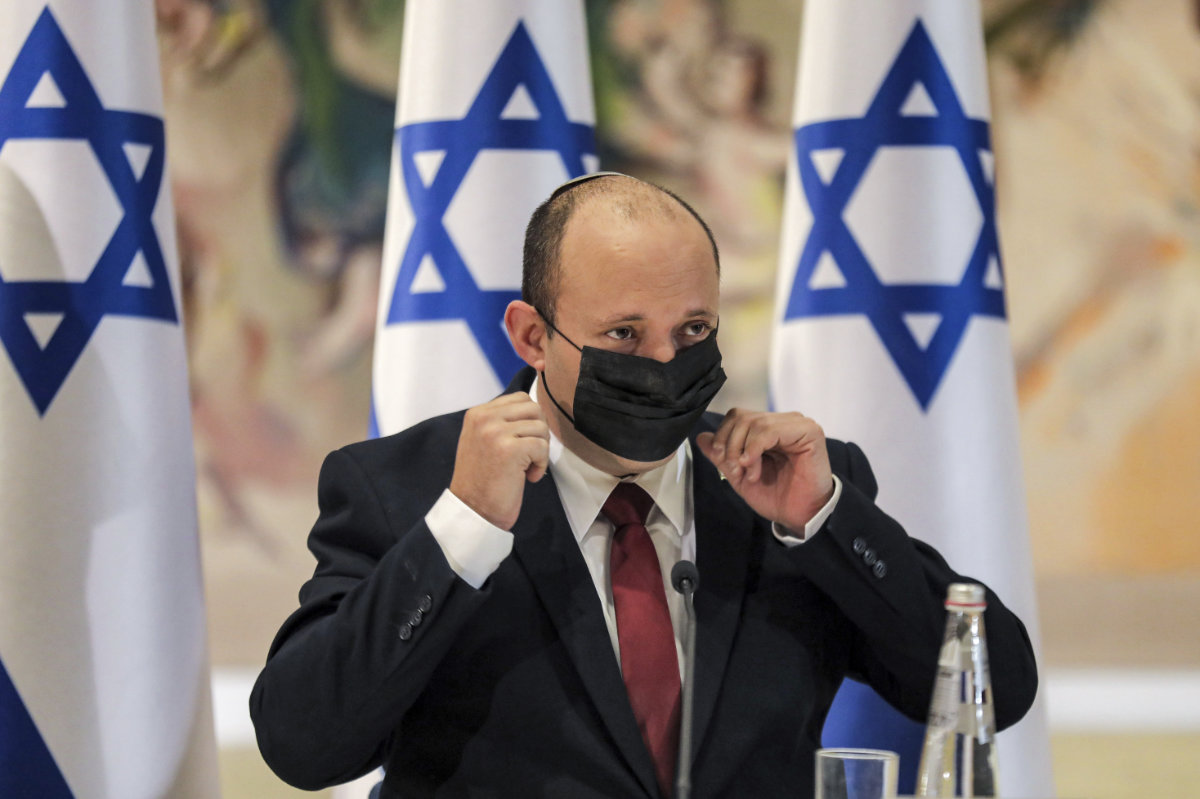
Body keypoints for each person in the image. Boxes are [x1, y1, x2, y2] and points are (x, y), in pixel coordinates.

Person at [250, 174, 1037, 799]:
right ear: (531, 335)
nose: (663, 363)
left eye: (692, 331)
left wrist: (824, 521)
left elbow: (995, 687)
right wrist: (459, 534)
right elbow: (304, 743)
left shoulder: (785, 486)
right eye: (624, 334)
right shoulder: (406, 488)